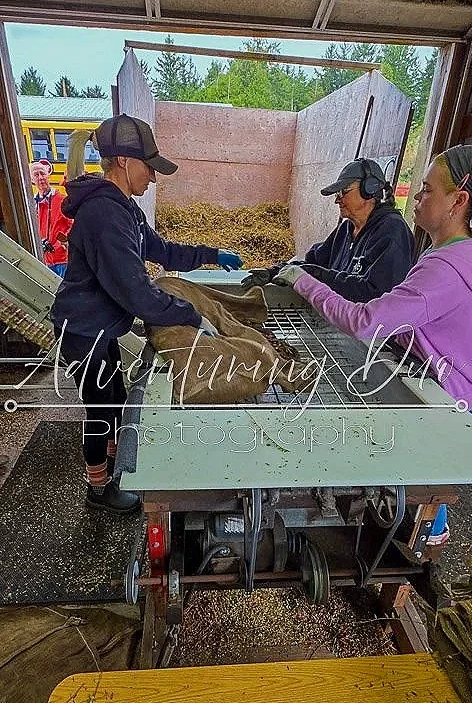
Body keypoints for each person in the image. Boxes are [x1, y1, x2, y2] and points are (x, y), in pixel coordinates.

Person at [274, 145, 472, 546]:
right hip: (427, 374)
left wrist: (302, 281)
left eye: (428, 190)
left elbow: (367, 320)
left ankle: (426, 535)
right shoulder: (450, 252)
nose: (416, 196)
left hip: (443, 400)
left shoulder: (445, 266)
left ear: (459, 201)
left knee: (426, 482)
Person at [51, 113, 243, 515]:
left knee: (116, 397)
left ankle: (119, 465)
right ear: (123, 161)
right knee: (100, 407)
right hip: (84, 330)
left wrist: (210, 255)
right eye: (149, 167)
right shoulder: (104, 215)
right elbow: (137, 293)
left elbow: (161, 250)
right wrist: (190, 316)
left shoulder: (125, 209)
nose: (153, 178)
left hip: (101, 326)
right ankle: (98, 488)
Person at [241, 158, 415, 302]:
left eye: (344, 192)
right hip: (337, 322)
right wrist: (275, 271)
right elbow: (314, 263)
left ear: (369, 190)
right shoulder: (346, 229)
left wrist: (315, 275)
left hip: (371, 338)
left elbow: (376, 294)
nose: (337, 200)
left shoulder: (392, 231)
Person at [30, 160, 72, 277]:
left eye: (42, 173)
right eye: (36, 175)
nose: (40, 178)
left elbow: (73, 224)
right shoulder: (32, 204)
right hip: (45, 260)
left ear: (48, 175)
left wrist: (62, 242)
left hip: (63, 259)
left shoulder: (62, 200)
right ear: (32, 180)